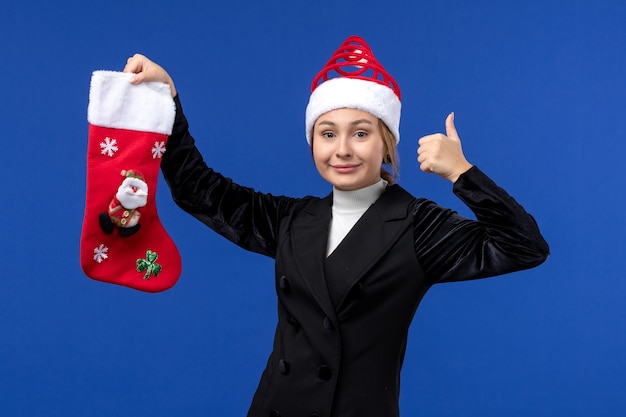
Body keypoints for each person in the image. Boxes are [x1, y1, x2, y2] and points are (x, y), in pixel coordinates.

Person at [123, 36, 549, 417]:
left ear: (386, 142)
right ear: (313, 142)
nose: (342, 150)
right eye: (328, 134)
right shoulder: (293, 219)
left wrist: (462, 173)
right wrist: (167, 99)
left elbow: (525, 247)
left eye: (360, 133)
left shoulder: (419, 226)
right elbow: (199, 191)